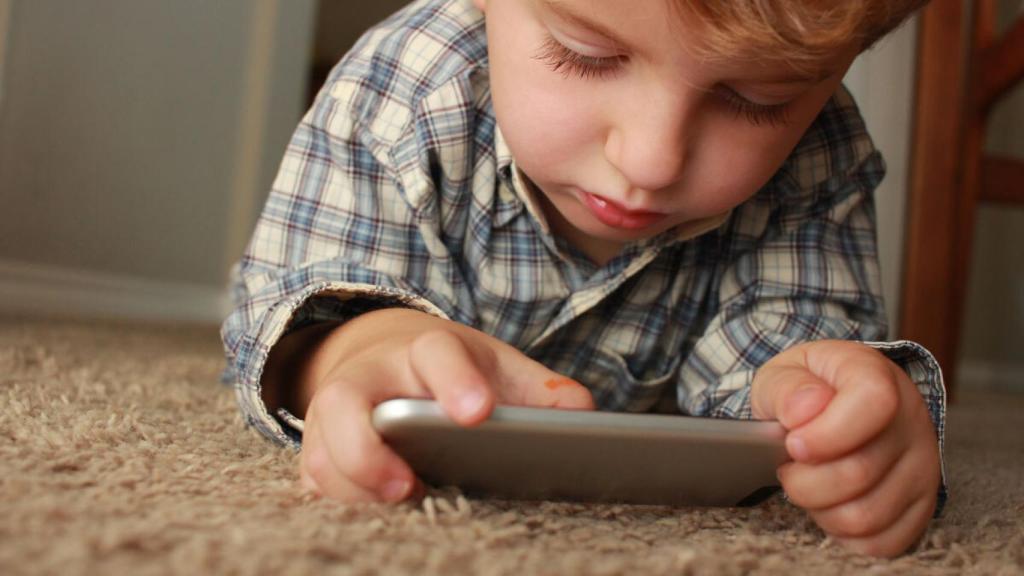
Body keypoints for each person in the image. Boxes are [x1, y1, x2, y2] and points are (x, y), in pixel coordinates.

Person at [221, 0, 945, 557]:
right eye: (587, 54)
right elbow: (289, 309)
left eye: (758, 99)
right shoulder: (404, 86)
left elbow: (783, 348)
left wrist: (831, 409)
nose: (652, 160)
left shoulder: (818, 154)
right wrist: (356, 351)